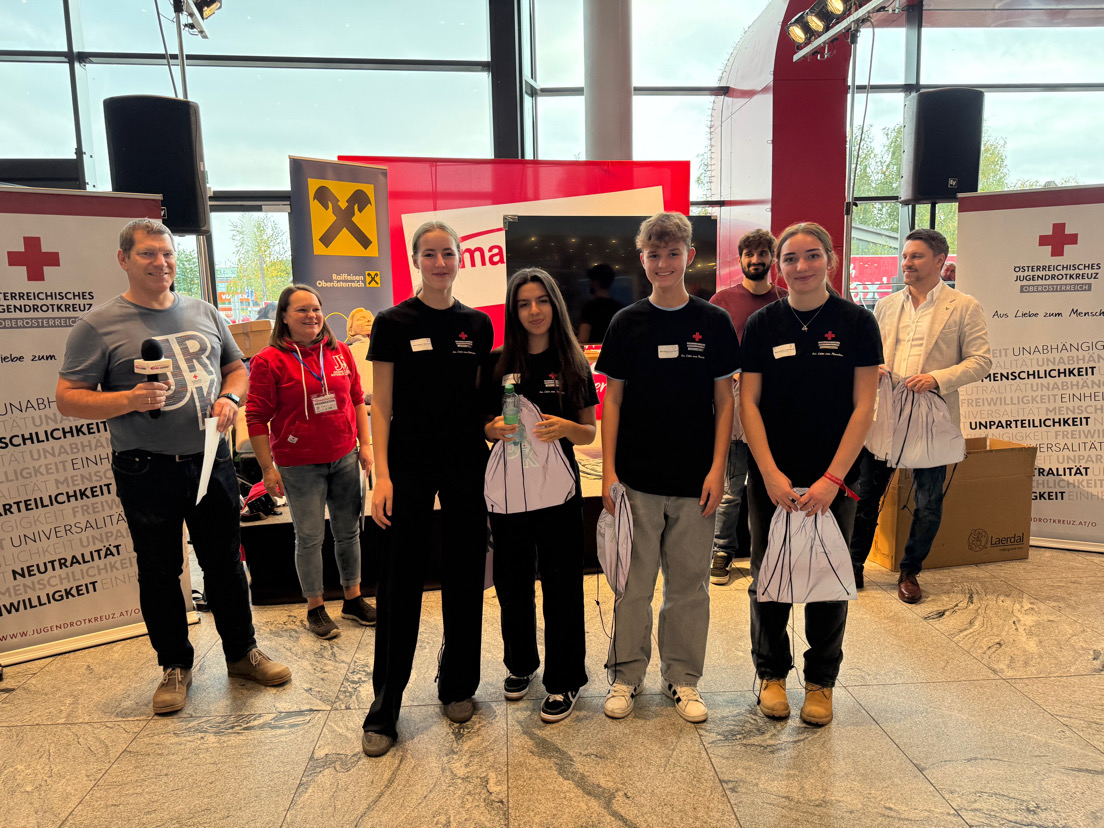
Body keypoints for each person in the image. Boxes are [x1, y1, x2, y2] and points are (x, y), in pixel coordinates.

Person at [56, 218, 291, 715]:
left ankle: (242, 653)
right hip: (145, 468)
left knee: (225, 563)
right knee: (160, 570)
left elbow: (236, 368)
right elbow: (68, 398)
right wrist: (128, 399)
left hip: (211, 462)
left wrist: (230, 397)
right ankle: (175, 665)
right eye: (147, 253)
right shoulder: (98, 326)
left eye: (166, 253)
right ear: (123, 259)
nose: (160, 262)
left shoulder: (204, 311)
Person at [596, 211, 739, 724]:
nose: (663, 263)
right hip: (636, 480)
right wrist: (609, 473)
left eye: (672, 253)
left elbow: (726, 400)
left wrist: (718, 468)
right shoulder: (626, 323)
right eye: (654, 255)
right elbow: (613, 401)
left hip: (696, 481)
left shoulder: (713, 322)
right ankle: (626, 674)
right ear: (642, 259)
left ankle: (682, 677)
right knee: (632, 586)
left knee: (689, 587)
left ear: (689, 256)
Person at [360, 220, 493, 757]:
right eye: (430, 254)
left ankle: (457, 683)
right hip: (408, 466)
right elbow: (381, 405)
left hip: (466, 463)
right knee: (399, 584)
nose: (440, 262)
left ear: (461, 259)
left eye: (448, 253)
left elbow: (481, 401)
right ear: (416, 260)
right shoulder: (393, 322)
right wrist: (382, 476)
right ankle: (385, 707)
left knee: (465, 575)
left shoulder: (477, 325)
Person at [740, 221, 880, 726]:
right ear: (778, 266)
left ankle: (821, 681)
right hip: (772, 476)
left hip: (835, 477)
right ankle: (771, 674)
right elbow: (748, 403)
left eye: (812, 255)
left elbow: (864, 406)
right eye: (791, 258)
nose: (801, 266)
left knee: (827, 578)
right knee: (769, 576)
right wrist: (770, 473)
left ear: (830, 259)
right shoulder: (762, 324)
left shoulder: (857, 322)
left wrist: (832, 479)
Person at [849, 228, 991, 603]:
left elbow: (981, 361)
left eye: (916, 256)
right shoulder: (885, 306)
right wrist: (874, 367)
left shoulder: (963, 306)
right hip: (886, 415)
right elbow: (870, 353)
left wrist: (937, 379)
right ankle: (852, 567)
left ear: (940, 260)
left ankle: (910, 571)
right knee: (866, 496)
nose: (907, 262)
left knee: (928, 502)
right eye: (905, 255)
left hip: (931, 417)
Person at [483, 268, 598, 723]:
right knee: (512, 583)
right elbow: (483, 423)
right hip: (509, 493)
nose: (534, 311)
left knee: (562, 584)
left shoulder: (573, 362)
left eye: (542, 301)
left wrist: (567, 427)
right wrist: (492, 428)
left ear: (555, 305)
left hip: (558, 492)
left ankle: (565, 678)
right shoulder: (497, 362)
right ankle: (521, 664)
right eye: (524, 303)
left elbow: (589, 431)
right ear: (513, 311)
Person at [246, 284, 376, 640]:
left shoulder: (339, 352)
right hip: (299, 464)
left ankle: (352, 599)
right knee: (309, 537)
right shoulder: (268, 360)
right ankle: (315, 607)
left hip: (344, 456)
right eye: (302, 310)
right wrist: (268, 468)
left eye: (316, 309)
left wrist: (365, 445)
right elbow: (256, 418)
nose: (312, 316)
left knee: (348, 532)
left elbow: (356, 399)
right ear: (284, 317)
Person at [707, 228, 788, 585]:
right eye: (749, 254)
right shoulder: (722, 301)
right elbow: (710, 353)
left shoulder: (786, 299)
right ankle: (722, 551)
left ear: (772, 258)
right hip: (736, 410)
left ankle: (769, 553)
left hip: (776, 412)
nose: (756, 260)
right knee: (731, 490)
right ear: (740, 258)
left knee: (771, 487)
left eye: (763, 253)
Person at [576, 263, 623, 344]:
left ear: (595, 282)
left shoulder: (589, 308)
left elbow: (583, 339)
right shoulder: (620, 308)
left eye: (591, 281)